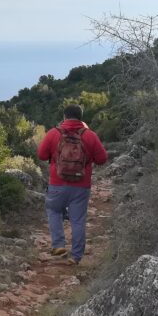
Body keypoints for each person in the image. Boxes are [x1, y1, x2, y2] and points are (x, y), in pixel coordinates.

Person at [36, 104, 108, 265]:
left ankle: (59, 245)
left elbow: (41, 155)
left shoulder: (53, 133)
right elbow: (102, 159)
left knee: (54, 211)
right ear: (81, 118)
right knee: (78, 220)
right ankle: (76, 257)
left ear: (64, 117)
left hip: (57, 183)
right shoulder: (90, 135)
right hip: (81, 186)